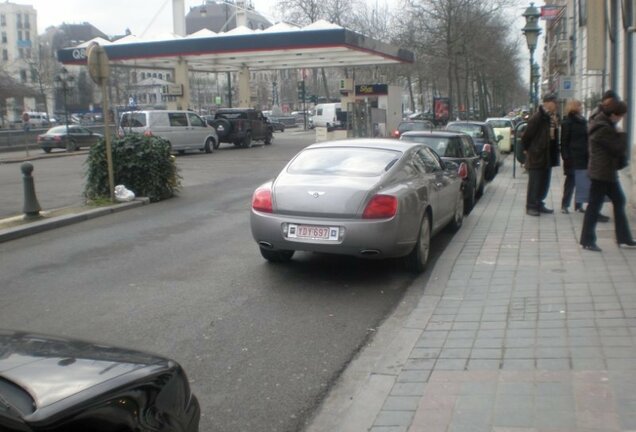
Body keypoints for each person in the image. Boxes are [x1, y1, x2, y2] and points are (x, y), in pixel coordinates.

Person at [579, 98, 635, 251]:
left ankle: (624, 238)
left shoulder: (603, 124)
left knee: (618, 201)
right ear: (614, 115)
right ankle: (588, 240)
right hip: (601, 173)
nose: (621, 119)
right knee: (595, 206)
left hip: (605, 171)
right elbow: (616, 148)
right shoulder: (603, 128)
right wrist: (622, 134)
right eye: (621, 115)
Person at [559, 99, 610, 221]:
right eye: (579, 106)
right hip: (572, 156)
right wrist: (566, 157)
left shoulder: (582, 121)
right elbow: (564, 142)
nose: (581, 108)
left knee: (582, 181)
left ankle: (579, 205)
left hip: (584, 155)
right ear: (574, 107)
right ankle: (565, 204)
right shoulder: (567, 122)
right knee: (571, 181)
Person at [522, 94, 559, 216]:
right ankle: (531, 205)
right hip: (537, 155)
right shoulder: (538, 117)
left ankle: (539, 203)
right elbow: (527, 136)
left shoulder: (550, 117)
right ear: (547, 103)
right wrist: (529, 150)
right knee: (535, 182)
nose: (556, 105)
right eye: (555, 102)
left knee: (544, 182)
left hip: (547, 154)